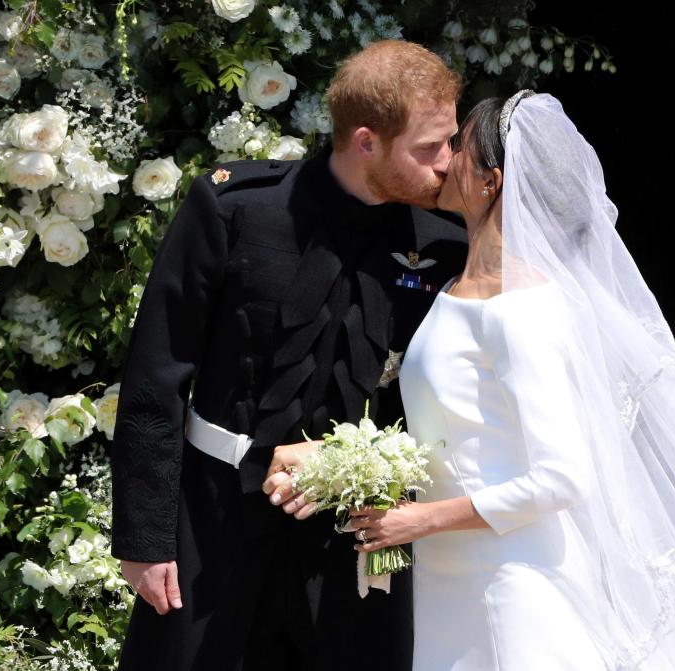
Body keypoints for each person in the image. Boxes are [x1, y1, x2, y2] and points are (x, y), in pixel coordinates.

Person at [289, 91, 675, 670]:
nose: (444, 160)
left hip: (516, 587)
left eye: (460, 146)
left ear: (490, 181)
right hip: (456, 582)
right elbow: (462, 435)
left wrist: (422, 520)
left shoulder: (522, 306)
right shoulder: (458, 290)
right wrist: (339, 462)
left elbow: (561, 477)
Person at [109, 40, 467, 671]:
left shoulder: (444, 246)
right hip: (214, 522)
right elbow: (155, 377)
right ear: (365, 141)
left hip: (357, 538)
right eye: (427, 148)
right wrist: (144, 537)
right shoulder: (235, 208)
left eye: (450, 141)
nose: (448, 164)